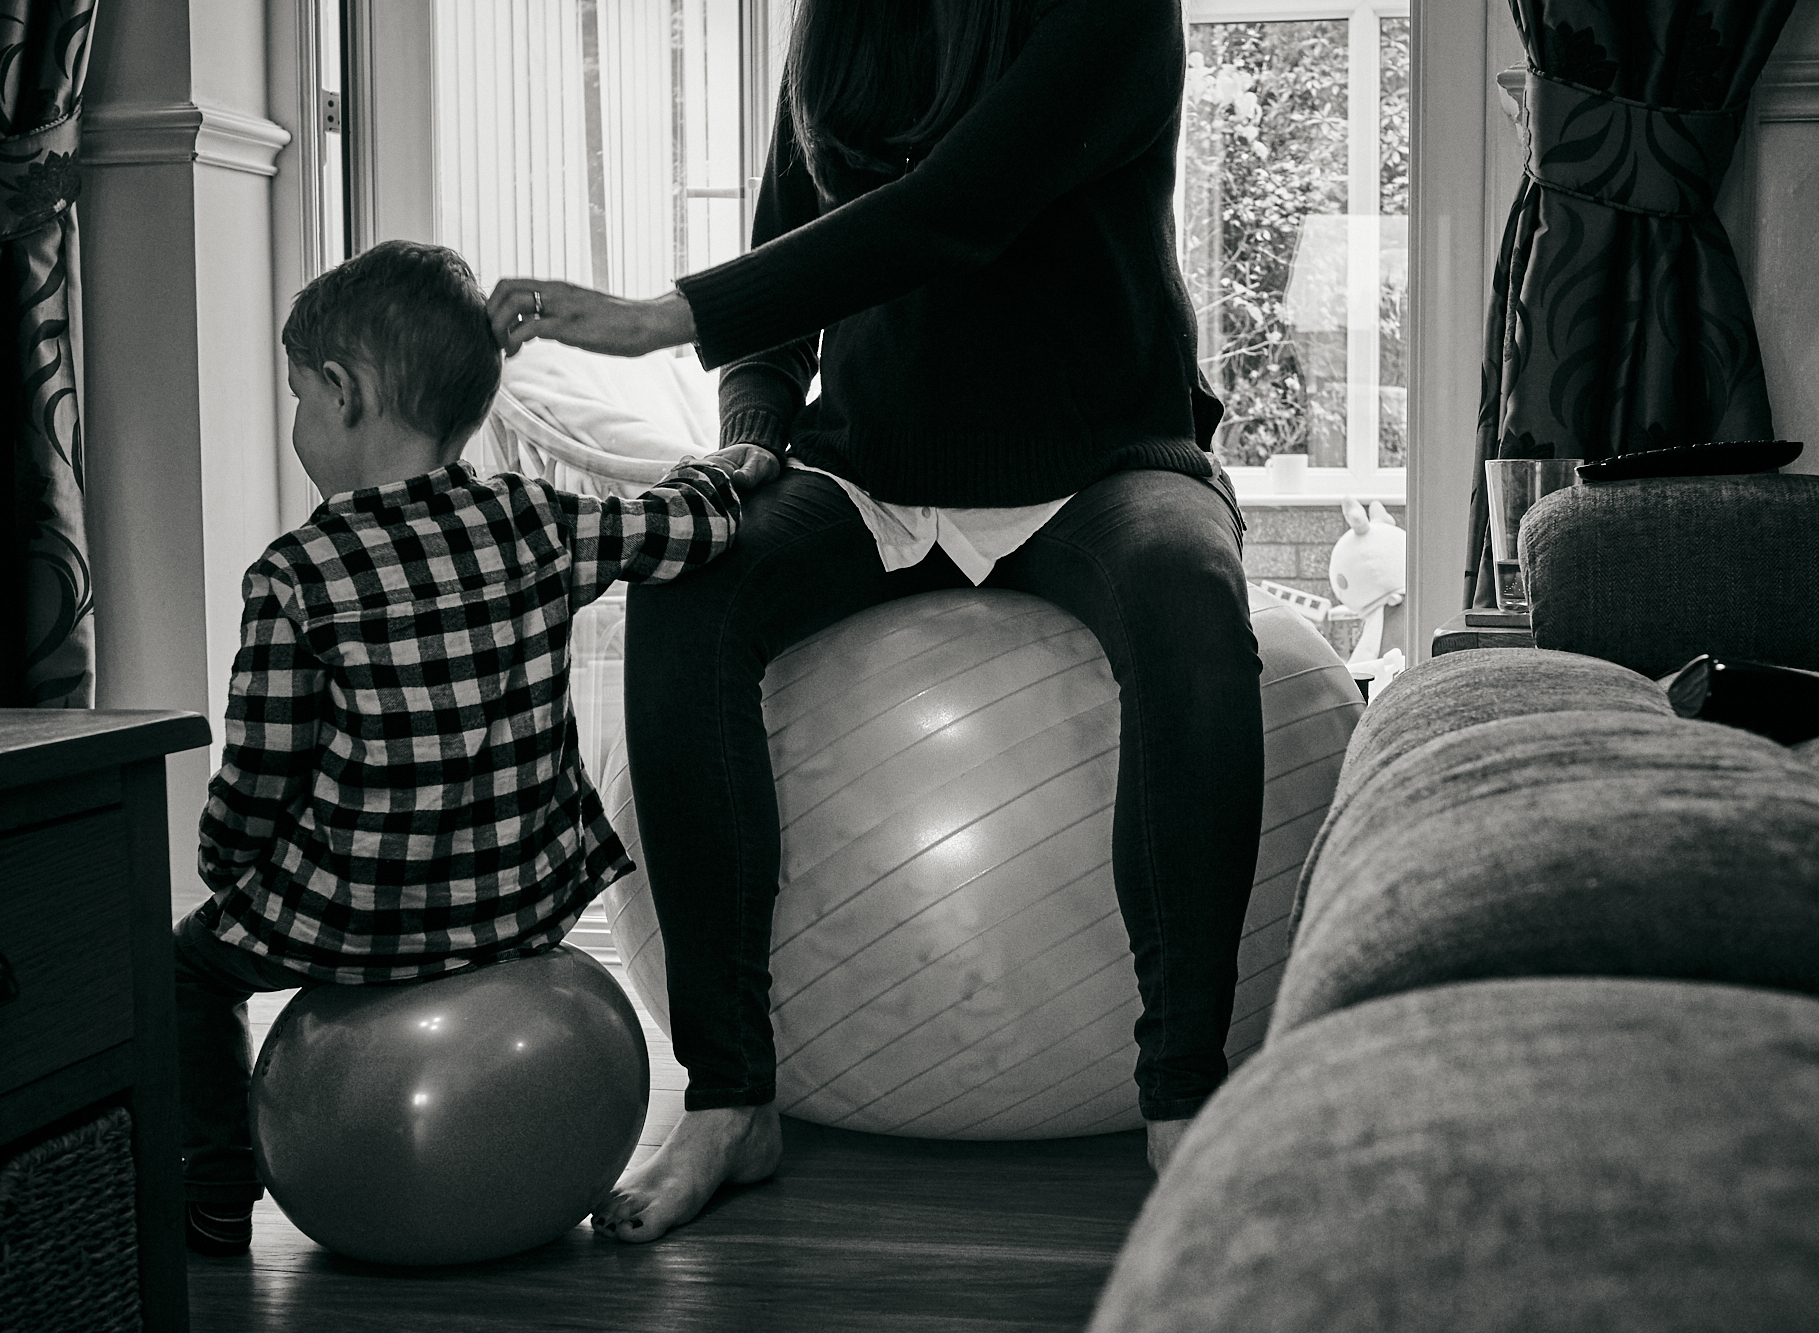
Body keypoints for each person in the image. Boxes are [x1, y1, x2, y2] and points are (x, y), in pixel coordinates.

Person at [487, 0, 1265, 1242]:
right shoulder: (841, 23)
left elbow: (957, 210)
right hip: (870, 470)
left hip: (1099, 459)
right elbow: (784, 299)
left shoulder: (1113, 12)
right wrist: (747, 445)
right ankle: (732, 1101)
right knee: (685, 588)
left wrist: (659, 317)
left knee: (1190, 598)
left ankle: (1181, 1095)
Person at [177, 239, 773, 1257]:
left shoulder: (296, 573)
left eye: (297, 398)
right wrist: (725, 476)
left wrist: (229, 863)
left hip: (362, 913)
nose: (296, 424)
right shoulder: (528, 519)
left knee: (189, 968)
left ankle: (215, 1192)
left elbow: (262, 768)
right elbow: (672, 530)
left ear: (341, 389)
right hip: (523, 901)